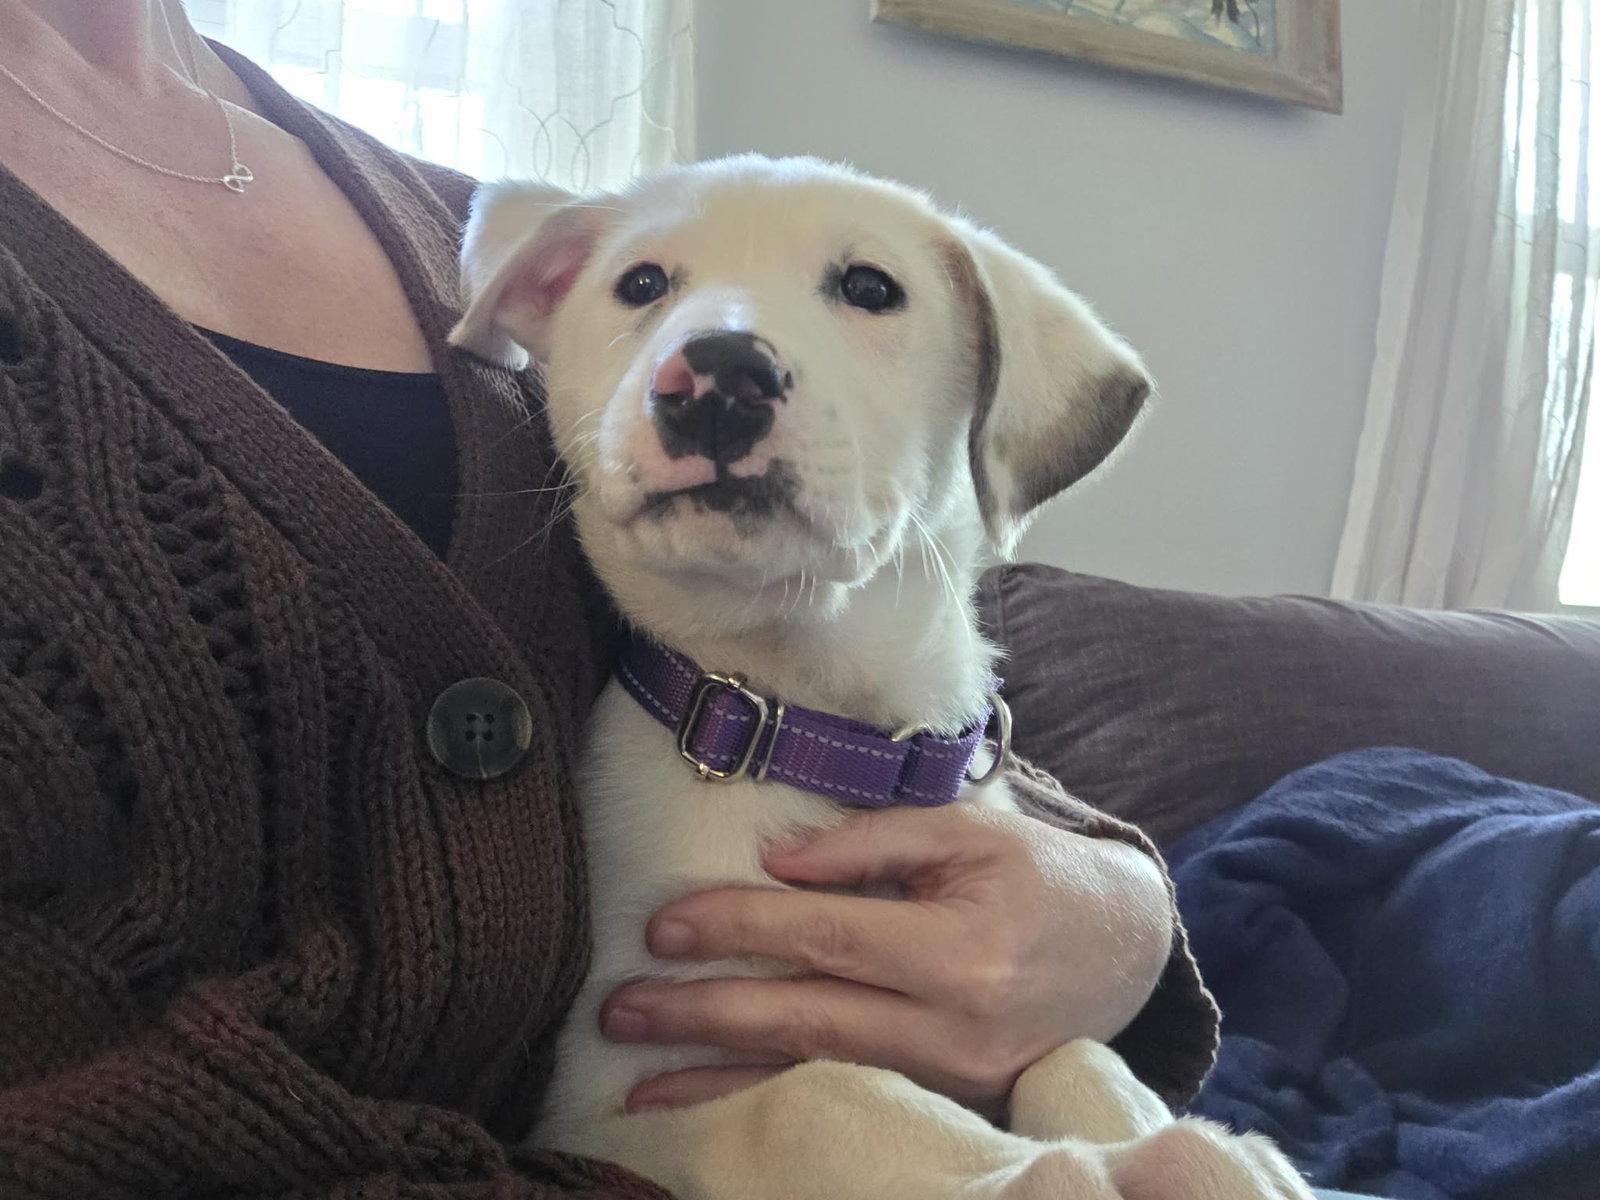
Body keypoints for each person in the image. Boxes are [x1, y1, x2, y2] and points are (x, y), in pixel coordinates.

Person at [0, 3, 1222, 1195]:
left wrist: (1117, 917)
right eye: (646, 285)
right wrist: (828, 1129)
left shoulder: (447, 227)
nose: (719, 363)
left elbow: (879, 713)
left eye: (864, 288)